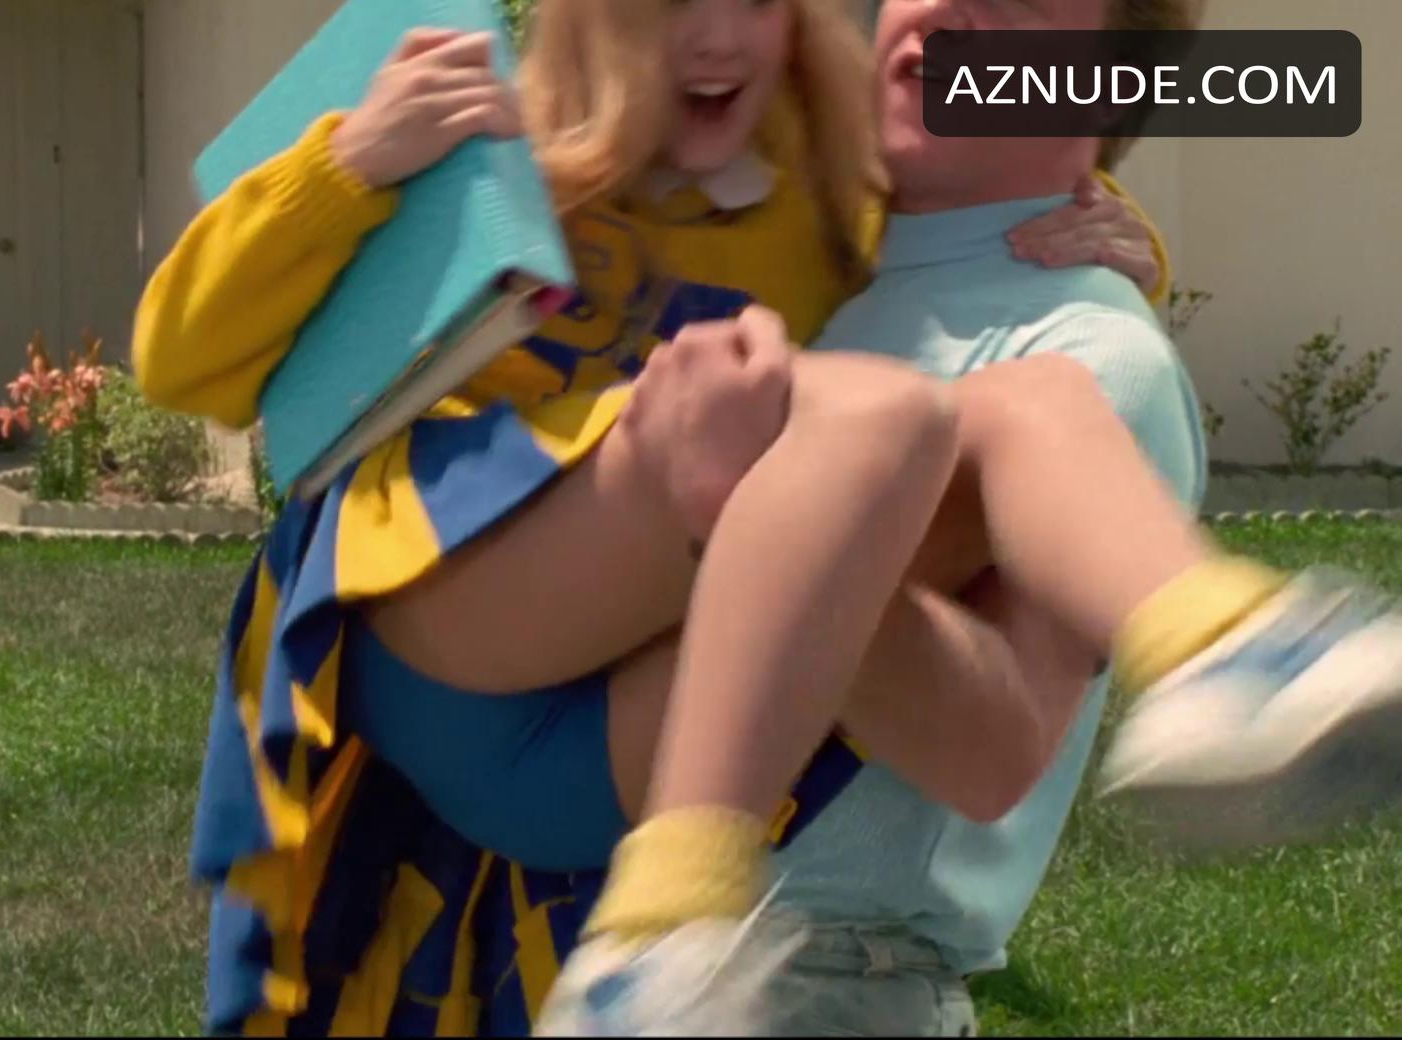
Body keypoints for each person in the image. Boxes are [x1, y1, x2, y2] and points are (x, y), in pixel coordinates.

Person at [147, 0, 1171, 1033]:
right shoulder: (485, 148)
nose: (717, 37)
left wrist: (1101, 225)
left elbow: (974, 198)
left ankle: (670, 920)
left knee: (875, 469)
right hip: (437, 617)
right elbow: (181, 360)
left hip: (599, 754)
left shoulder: (808, 200)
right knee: (802, 440)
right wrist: (348, 166)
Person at [535, 0, 1402, 1034]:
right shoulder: (791, 258)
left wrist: (768, 522)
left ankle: (1229, 644)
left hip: (787, 975)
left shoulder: (1090, 354)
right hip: (568, 931)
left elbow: (988, 763)